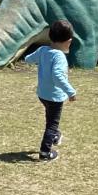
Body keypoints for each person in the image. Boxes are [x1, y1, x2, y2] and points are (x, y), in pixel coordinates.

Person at [25, 20, 76, 161]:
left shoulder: (43, 50)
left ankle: (54, 135)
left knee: (50, 120)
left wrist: (36, 60)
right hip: (54, 97)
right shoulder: (59, 56)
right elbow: (57, 76)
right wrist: (70, 91)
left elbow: (28, 59)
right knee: (52, 124)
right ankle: (45, 153)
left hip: (42, 94)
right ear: (69, 41)